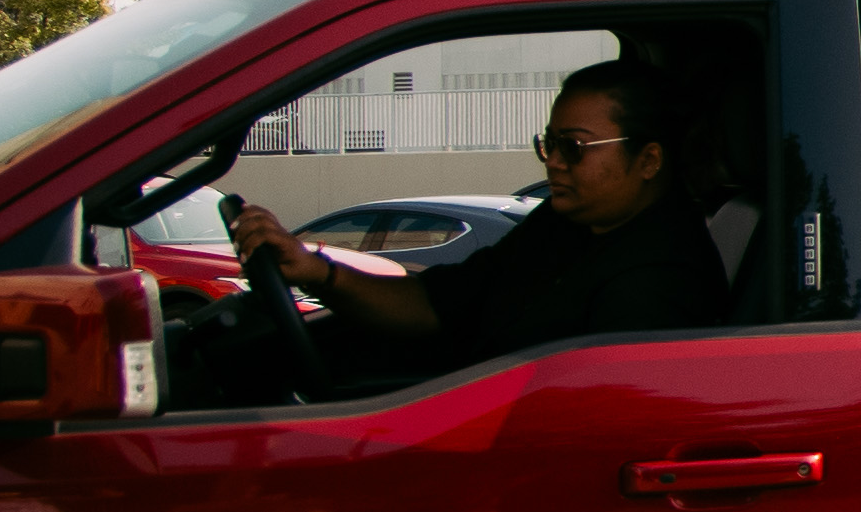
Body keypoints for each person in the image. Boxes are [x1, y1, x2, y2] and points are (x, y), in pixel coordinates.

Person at [225, 58, 726, 365]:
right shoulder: (561, 226)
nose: (553, 162)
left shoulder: (661, 280)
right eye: (549, 143)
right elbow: (433, 304)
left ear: (649, 160)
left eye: (574, 147)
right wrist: (318, 271)